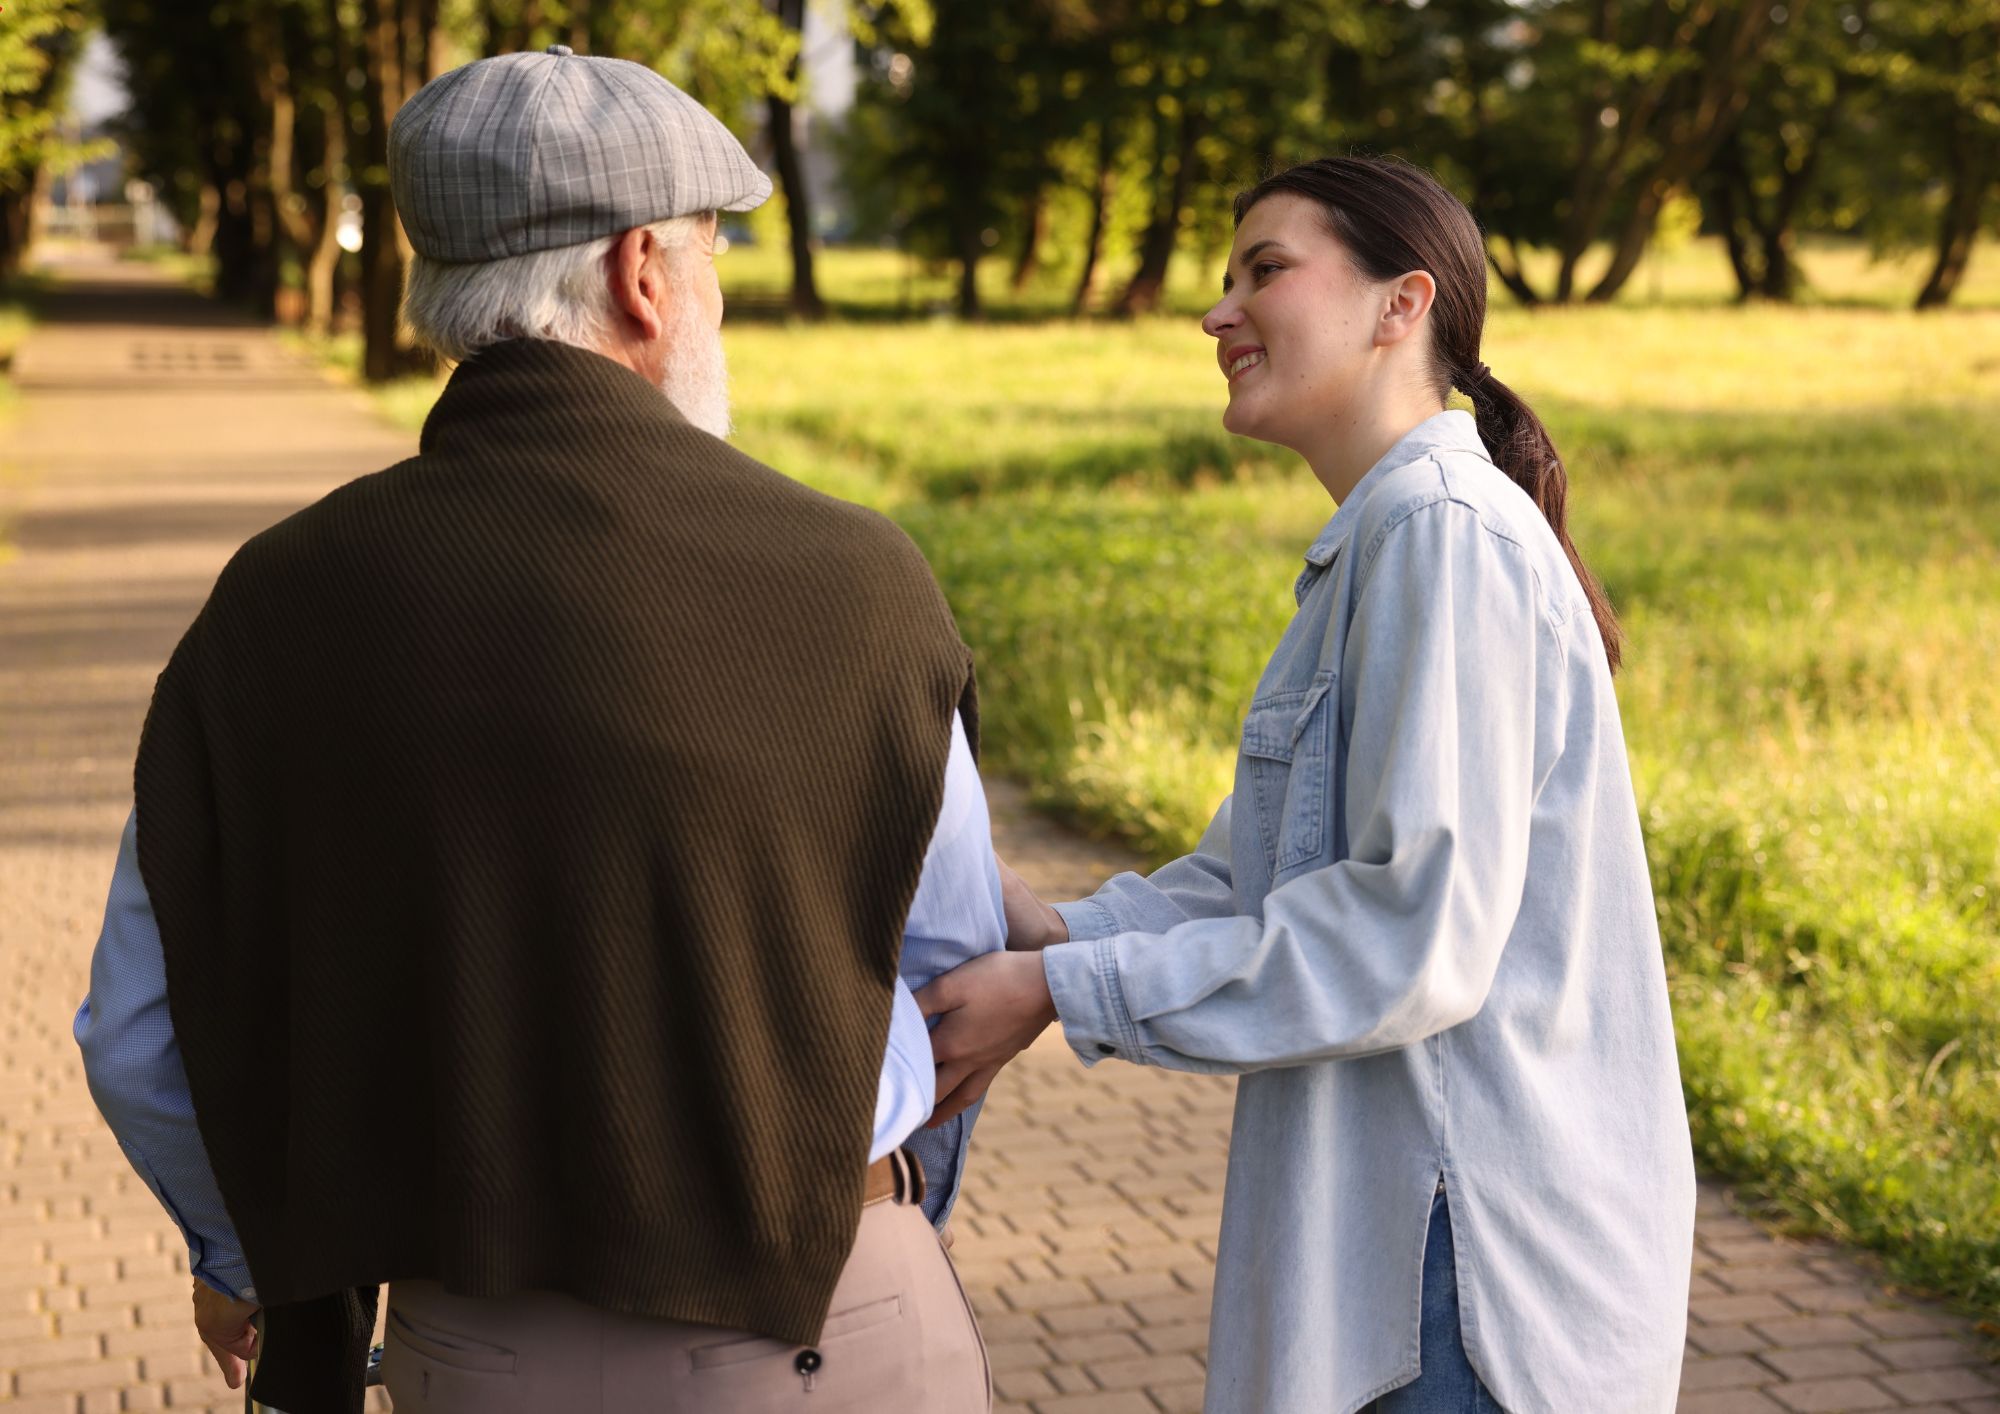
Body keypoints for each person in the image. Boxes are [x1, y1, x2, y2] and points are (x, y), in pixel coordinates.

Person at [74, 48, 997, 1414]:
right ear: (640, 274)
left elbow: (140, 1030)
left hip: (474, 1348)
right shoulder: (859, 580)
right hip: (827, 1322)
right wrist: (897, 1199)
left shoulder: (271, 605)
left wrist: (247, 1256)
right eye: (710, 257)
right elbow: (950, 964)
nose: (716, 295)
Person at [918, 156, 1697, 1414]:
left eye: (1264, 270)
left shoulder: (1442, 532)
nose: (1216, 313)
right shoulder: (1382, 542)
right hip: (1399, 1271)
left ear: (1402, 303)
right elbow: (1260, 881)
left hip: (1460, 1282)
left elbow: (1409, 930)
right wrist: (1052, 928)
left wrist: (1064, 987)